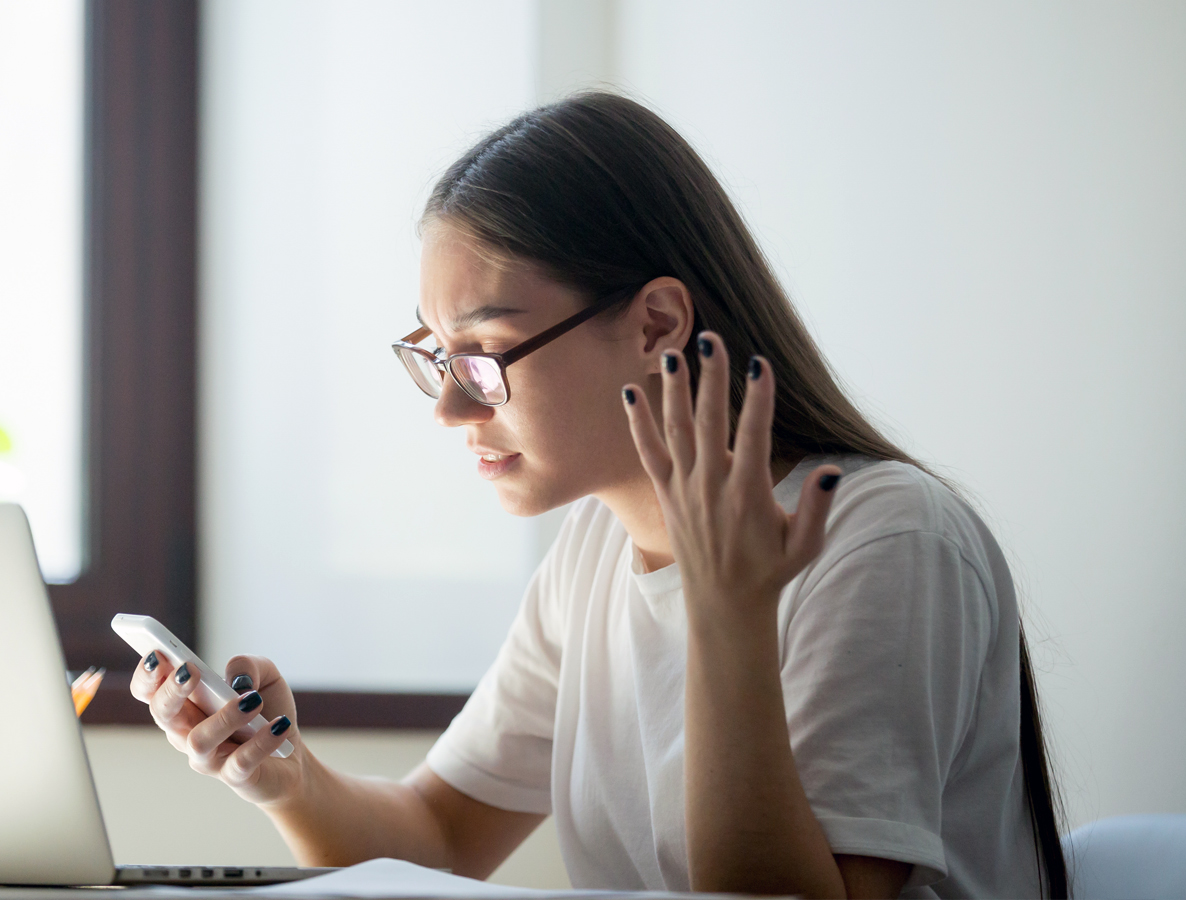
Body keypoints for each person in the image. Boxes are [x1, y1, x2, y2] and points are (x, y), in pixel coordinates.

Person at [129, 93, 1067, 899]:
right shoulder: (594, 549)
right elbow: (442, 836)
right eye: (434, 357)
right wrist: (282, 774)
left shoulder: (885, 537)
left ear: (657, 323)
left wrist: (726, 612)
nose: (451, 407)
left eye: (485, 357)